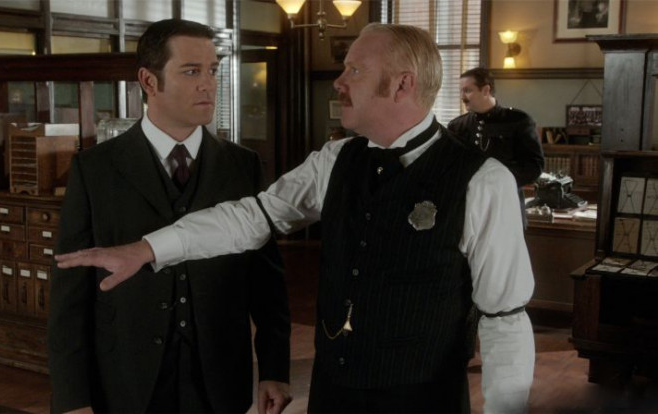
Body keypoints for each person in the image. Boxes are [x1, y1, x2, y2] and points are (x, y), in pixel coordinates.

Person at [57, 23, 535, 413]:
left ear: (402, 84)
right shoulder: (334, 160)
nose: (339, 82)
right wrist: (147, 249)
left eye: (354, 70)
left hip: (422, 401)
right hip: (332, 396)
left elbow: (505, 321)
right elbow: (251, 218)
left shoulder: (483, 182)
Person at [47, 19, 291, 414]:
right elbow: (69, 296)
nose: (208, 84)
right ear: (149, 81)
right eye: (191, 71)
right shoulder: (96, 168)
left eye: (212, 70)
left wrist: (274, 368)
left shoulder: (242, 165)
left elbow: (266, 282)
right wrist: (73, 399)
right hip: (126, 382)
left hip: (219, 381)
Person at [448, 67, 544, 226]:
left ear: (486, 90)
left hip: (506, 206)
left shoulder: (518, 121)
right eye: (461, 91)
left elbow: (534, 166)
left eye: (467, 91)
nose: (462, 97)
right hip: (468, 210)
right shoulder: (457, 126)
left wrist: (496, 181)